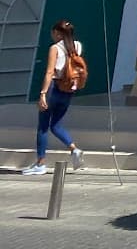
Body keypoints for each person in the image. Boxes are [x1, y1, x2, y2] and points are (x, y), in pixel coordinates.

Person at [22, 20, 84, 175]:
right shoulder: (77, 46)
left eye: (53, 32)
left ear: (57, 33)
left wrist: (42, 94)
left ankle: (41, 163)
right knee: (56, 125)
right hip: (68, 89)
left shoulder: (55, 48)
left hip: (54, 88)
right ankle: (74, 149)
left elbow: (50, 72)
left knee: (43, 127)